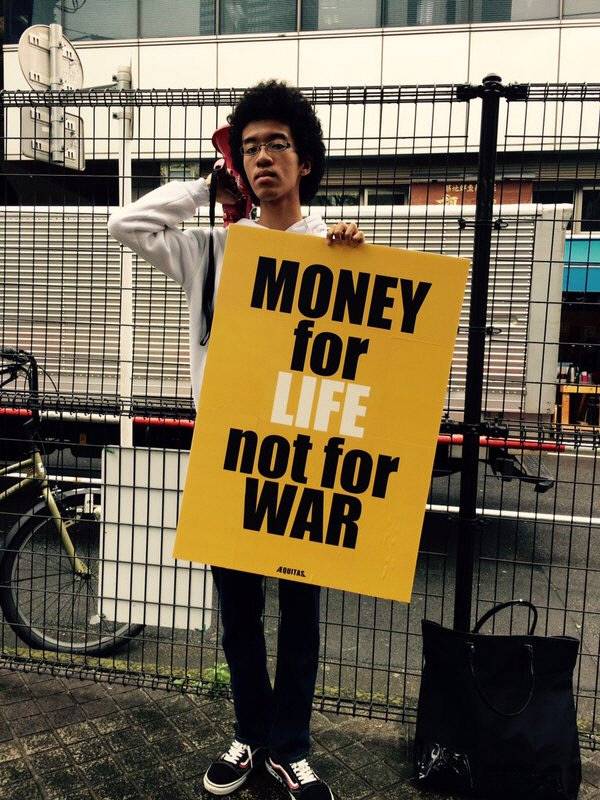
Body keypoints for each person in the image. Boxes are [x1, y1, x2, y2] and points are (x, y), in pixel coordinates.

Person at [107, 80, 365, 800]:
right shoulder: (214, 251)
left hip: (307, 460)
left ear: (305, 161)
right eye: (249, 148)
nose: (262, 157)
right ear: (237, 165)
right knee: (239, 613)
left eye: (277, 143)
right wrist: (203, 188)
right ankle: (251, 736)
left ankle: (291, 748)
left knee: (301, 613)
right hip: (227, 456)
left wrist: (354, 253)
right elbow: (126, 225)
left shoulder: (335, 248)